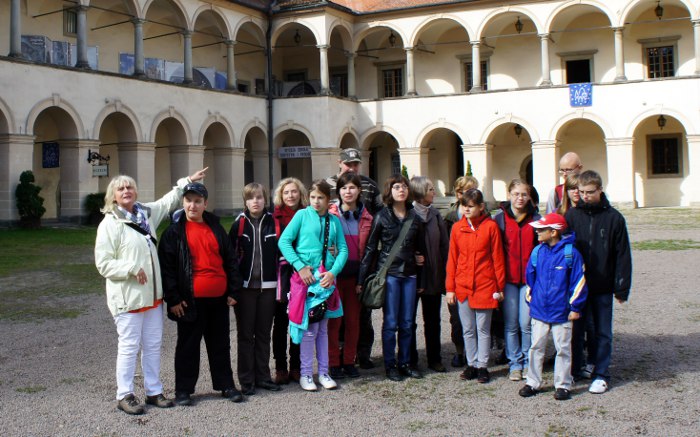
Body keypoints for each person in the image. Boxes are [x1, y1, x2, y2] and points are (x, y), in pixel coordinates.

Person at [95, 167, 206, 415]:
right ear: (113, 195)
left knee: (153, 345)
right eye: (121, 188)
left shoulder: (145, 214)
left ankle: (154, 390)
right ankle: (124, 394)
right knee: (129, 346)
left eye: (129, 187)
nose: (126, 191)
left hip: (152, 297)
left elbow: (167, 202)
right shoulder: (110, 223)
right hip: (129, 297)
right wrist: (131, 267)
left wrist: (187, 181)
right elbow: (103, 263)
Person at [158, 182, 244, 406]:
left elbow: (230, 260)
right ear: (183, 202)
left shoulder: (215, 227)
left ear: (205, 204)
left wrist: (234, 289)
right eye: (188, 201)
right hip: (189, 299)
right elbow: (167, 270)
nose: (192, 205)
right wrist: (173, 299)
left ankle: (226, 385)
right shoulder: (174, 232)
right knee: (188, 346)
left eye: (198, 201)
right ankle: (184, 390)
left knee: (220, 344)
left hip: (218, 297)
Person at [278, 180, 348, 391]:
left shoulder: (334, 221)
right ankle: (306, 374)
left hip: (325, 281)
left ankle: (324, 372)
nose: (316, 202)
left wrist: (333, 272)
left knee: (324, 329)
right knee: (308, 329)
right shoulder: (301, 215)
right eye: (314, 197)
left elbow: (343, 249)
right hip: (305, 281)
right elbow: (284, 241)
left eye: (321, 198)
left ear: (328, 200)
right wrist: (300, 266)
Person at [566, 170, 632, 394]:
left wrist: (622, 287)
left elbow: (622, 254)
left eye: (590, 192)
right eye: (581, 192)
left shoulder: (614, 218)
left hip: (603, 285)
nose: (585, 196)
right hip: (578, 286)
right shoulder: (572, 216)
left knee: (603, 332)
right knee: (576, 330)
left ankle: (601, 373)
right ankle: (575, 369)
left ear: (600, 190)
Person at [358, 174, 424, 382]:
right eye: (397, 186)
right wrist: (361, 280)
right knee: (390, 322)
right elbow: (370, 249)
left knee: (407, 322)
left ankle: (405, 363)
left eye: (404, 186)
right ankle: (390, 365)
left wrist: (420, 275)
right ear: (390, 191)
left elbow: (420, 249)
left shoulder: (415, 218)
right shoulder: (382, 217)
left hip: (410, 274)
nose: (401, 190)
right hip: (390, 276)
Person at [518, 213, 588, 401]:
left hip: (562, 312)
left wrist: (575, 307)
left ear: (554, 232)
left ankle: (563, 384)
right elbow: (530, 278)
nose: (537, 232)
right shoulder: (537, 252)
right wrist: (531, 300)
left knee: (563, 348)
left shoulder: (571, 254)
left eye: (541, 229)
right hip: (539, 310)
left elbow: (578, 282)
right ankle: (532, 382)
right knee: (536, 347)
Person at [326, 147, 382, 369]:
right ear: (340, 163)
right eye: (348, 164)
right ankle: (338, 355)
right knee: (336, 315)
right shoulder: (328, 184)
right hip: (336, 264)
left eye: (356, 164)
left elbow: (379, 214)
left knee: (362, 315)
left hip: (362, 255)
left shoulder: (370, 185)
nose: (352, 167)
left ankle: (362, 353)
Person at [445, 189, 505, 384]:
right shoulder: (457, 228)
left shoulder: (490, 227)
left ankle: (482, 365)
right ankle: (471, 363)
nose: (467, 209)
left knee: (483, 328)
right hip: (463, 286)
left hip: (485, 285)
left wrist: (500, 287)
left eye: (471, 206)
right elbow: (452, 259)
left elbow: (497, 258)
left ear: (481, 207)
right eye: (464, 206)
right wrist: (450, 288)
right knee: (468, 328)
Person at [229, 183, 282, 395]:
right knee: (245, 334)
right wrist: (233, 288)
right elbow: (231, 258)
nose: (255, 201)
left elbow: (282, 254)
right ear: (245, 201)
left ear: (265, 199)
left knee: (263, 333)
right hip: (245, 289)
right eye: (251, 198)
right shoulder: (239, 225)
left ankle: (263, 376)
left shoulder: (274, 223)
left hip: (269, 287)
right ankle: (246, 379)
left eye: (259, 197)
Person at [492, 179, 541, 382]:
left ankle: (530, 362)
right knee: (511, 324)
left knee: (526, 324)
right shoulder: (499, 220)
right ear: (509, 194)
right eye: (516, 194)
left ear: (529, 196)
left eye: (523, 194)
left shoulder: (536, 219)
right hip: (509, 280)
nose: (520, 198)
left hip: (528, 281)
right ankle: (515, 364)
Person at [409, 176, 449, 373]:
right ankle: (411, 359)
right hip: (412, 275)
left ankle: (434, 358)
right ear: (420, 192)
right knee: (409, 320)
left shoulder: (435, 215)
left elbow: (444, 246)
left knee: (433, 319)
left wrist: (445, 273)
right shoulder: (408, 215)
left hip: (433, 274)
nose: (434, 192)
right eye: (431, 189)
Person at [271, 178, 308, 384]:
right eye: (286, 193)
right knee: (281, 323)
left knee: (300, 320)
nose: (290, 196)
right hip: (282, 275)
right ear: (281, 195)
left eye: (294, 192)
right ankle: (280, 367)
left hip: (304, 275)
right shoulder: (274, 217)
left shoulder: (308, 215)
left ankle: (296, 365)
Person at [443, 175, 479, 368]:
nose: (468, 195)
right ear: (458, 194)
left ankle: (478, 355)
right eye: (464, 191)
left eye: (472, 190)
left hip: (478, 273)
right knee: (457, 317)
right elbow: (445, 247)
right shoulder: (449, 217)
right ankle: (459, 351)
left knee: (479, 317)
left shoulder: (484, 216)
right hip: (456, 273)